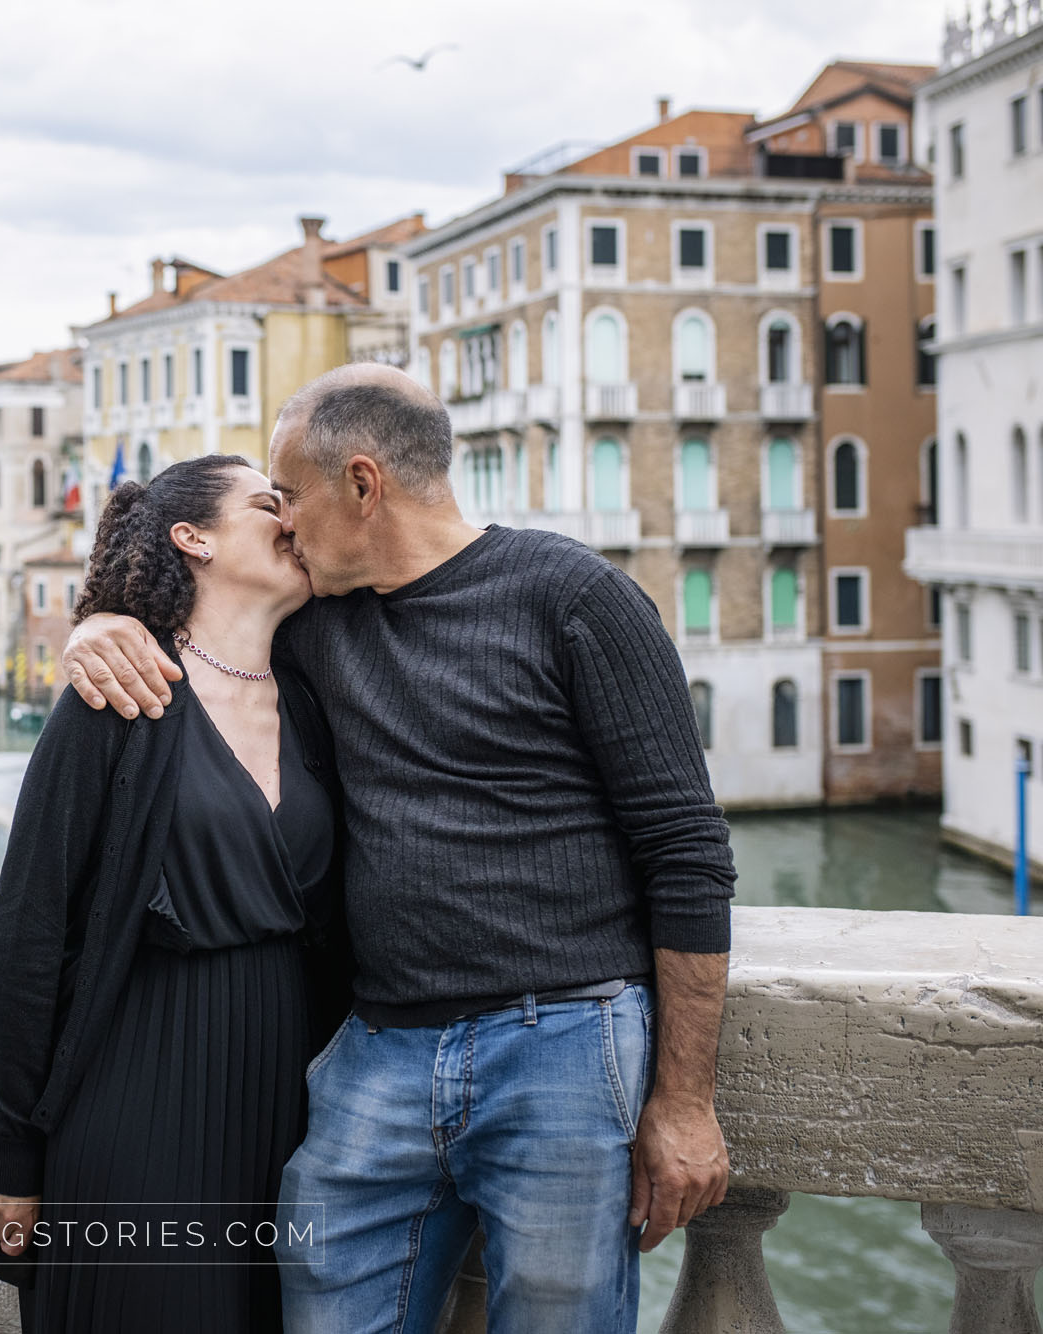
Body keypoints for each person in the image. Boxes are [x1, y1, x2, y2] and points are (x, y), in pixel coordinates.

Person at [60, 364, 736, 1333]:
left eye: (287, 497)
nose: (280, 524)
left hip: (562, 1044)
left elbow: (686, 850)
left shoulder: (574, 596)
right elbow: (190, 626)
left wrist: (681, 1100)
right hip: (372, 1054)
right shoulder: (312, 622)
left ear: (362, 484)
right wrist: (99, 623)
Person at [0, 454, 353, 1333]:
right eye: (268, 505)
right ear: (194, 538)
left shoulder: (316, 693)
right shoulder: (114, 697)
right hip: (142, 1082)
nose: (292, 520)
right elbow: (31, 930)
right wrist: (16, 1149)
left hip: (293, 1096)